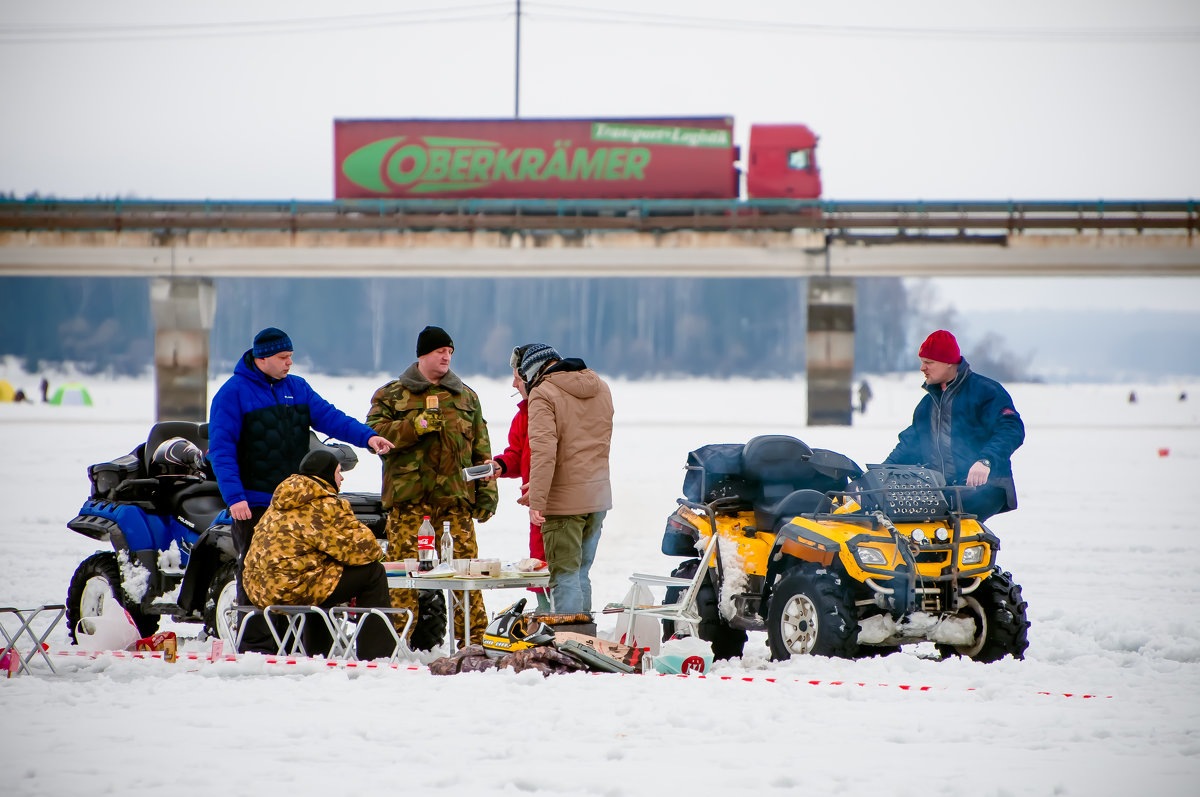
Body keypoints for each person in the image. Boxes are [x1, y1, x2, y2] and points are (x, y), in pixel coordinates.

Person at [208, 327, 394, 653]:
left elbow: (331, 418)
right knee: (255, 572)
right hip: (254, 502)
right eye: (283, 357)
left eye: (291, 356)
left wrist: (367, 438)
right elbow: (221, 449)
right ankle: (258, 647)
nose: (289, 363)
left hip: (300, 503)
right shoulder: (232, 393)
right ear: (261, 357)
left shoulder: (297, 388)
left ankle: (310, 646)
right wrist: (235, 497)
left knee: (312, 570)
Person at [367, 326, 498, 646]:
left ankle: (475, 644)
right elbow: (373, 436)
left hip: (456, 503)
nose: (446, 357)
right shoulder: (392, 394)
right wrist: (416, 425)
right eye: (440, 351)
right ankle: (394, 646)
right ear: (423, 354)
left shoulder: (466, 396)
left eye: (450, 353)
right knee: (403, 578)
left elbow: (481, 448)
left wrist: (488, 491)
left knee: (467, 577)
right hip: (410, 503)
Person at [242, 449, 396, 660]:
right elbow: (365, 550)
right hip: (293, 591)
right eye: (339, 472)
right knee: (373, 572)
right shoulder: (324, 503)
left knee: (321, 575)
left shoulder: (280, 502)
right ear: (325, 474)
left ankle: (319, 653)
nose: (341, 478)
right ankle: (377, 656)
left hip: (259, 591)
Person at [883, 330, 1024, 521]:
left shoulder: (986, 391)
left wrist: (986, 461)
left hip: (985, 487)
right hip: (942, 491)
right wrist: (881, 474)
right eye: (922, 362)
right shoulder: (927, 406)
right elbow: (909, 445)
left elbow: (1011, 428)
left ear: (949, 362)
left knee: (955, 531)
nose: (922, 368)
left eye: (928, 362)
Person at [518, 343, 613, 615]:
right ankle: (586, 640)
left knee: (565, 576)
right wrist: (538, 485)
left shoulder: (543, 393)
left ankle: (569, 642)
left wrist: (538, 497)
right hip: (597, 496)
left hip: (564, 503)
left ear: (533, 371)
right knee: (582, 573)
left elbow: (544, 449)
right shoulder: (602, 387)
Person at [484, 345, 550, 612]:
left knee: (561, 575)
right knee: (541, 571)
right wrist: (500, 465)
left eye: (517, 377)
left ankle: (566, 630)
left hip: (555, 503)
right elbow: (518, 453)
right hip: (536, 507)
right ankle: (548, 622)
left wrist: (542, 487)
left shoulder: (552, 410)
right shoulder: (523, 415)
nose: (514, 383)